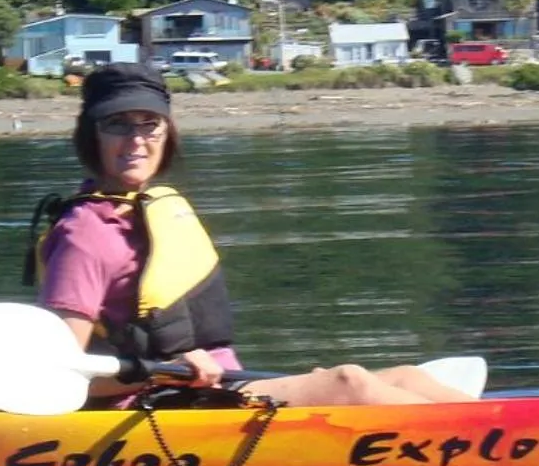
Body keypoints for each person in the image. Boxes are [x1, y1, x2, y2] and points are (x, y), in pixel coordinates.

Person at [29, 62, 472, 407]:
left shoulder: (153, 210)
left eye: (150, 123)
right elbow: (62, 370)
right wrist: (159, 371)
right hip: (156, 406)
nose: (136, 140)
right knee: (348, 382)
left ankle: (522, 435)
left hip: (221, 390)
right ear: (92, 135)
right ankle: (504, 447)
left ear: (167, 132)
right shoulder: (84, 232)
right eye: (117, 125)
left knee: (408, 377)